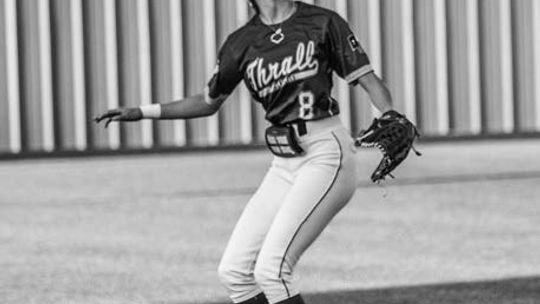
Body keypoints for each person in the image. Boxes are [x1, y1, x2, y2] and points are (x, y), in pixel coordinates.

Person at [95, 1, 396, 303]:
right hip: (284, 163)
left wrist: (390, 115)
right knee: (234, 272)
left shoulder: (323, 22)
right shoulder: (241, 43)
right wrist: (141, 112)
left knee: (272, 271)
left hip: (326, 154)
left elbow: (369, 81)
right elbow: (207, 101)